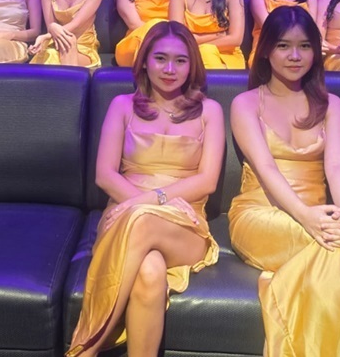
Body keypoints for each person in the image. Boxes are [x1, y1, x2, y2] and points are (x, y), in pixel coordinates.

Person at [229, 6, 340, 356]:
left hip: (317, 215)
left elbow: (338, 166)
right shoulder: (245, 103)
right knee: (335, 250)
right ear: (266, 50)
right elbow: (266, 168)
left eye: (304, 46)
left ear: (316, 51)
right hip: (259, 213)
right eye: (283, 46)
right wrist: (307, 217)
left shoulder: (331, 105)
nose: (295, 56)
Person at [67, 21, 223, 356]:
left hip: (184, 223)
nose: (170, 69)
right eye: (160, 58)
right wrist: (144, 206)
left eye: (180, 60)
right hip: (123, 213)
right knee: (150, 271)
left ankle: (85, 349)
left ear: (192, 65)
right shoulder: (122, 105)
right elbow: (105, 175)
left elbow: (207, 181)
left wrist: (152, 203)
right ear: (145, 62)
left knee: (142, 220)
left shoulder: (209, 111)